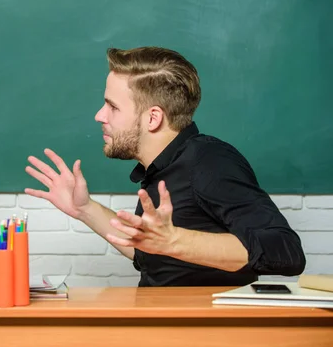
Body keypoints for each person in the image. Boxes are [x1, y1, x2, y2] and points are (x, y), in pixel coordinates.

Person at [24, 46, 306, 286]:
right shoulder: (160, 171)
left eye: (113, 106)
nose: (100, 115)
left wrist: (174, 241)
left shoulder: (209, 161)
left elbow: (287, 252)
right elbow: (150, 253)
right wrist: (84, 209)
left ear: (152, 118)